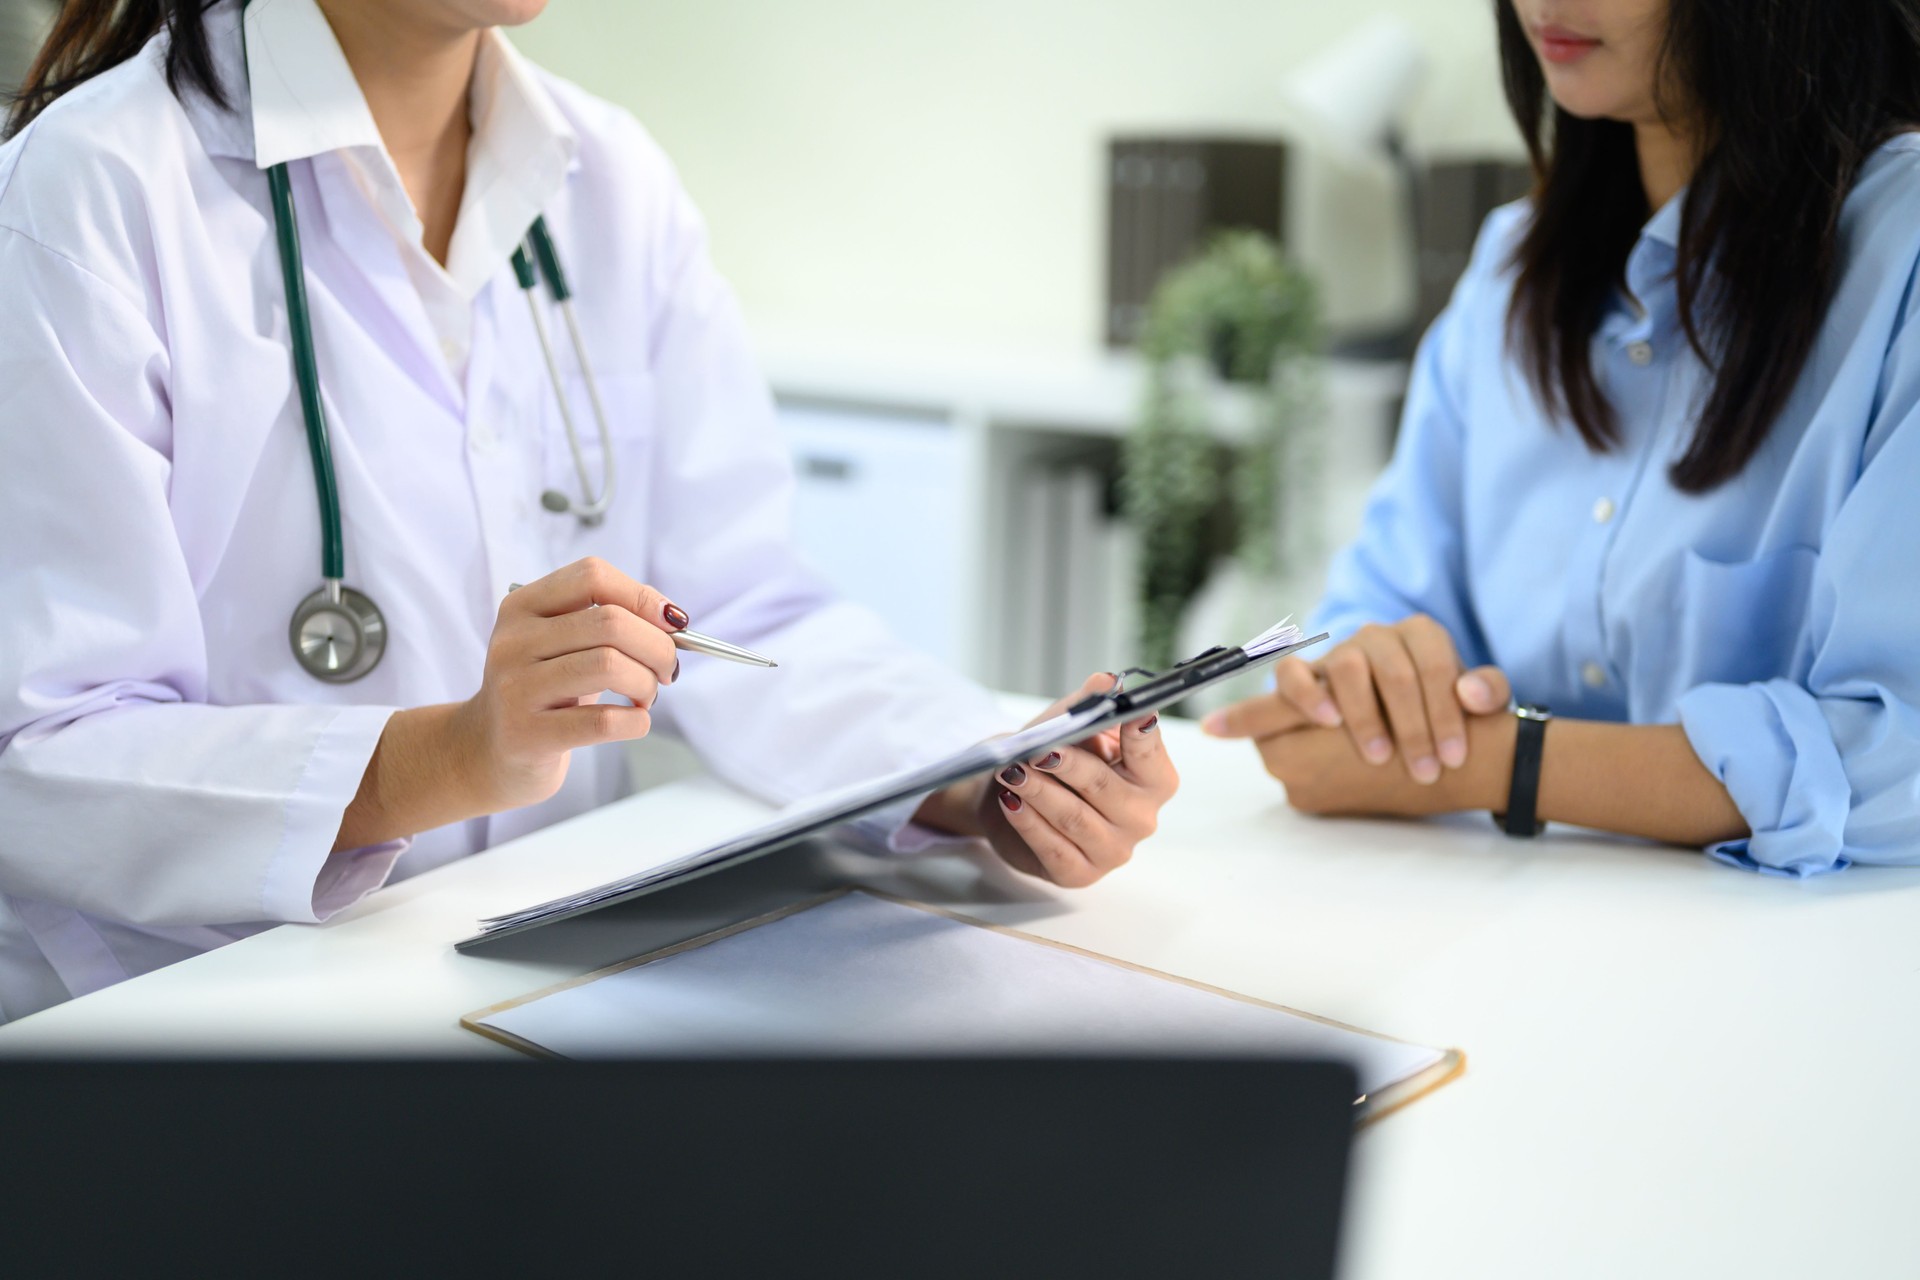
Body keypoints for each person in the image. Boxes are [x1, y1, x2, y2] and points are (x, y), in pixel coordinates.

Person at [0, 0, 1178, 1023]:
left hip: (516, 990)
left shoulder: (609, 181)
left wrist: (989, 780)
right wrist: (441, 758)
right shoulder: (89, 192)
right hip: (186, 1024)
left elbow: (743, 610)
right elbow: (42, 758)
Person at [1207, 0, 1920, 874]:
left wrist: (1498, 762)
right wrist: (1365, 684)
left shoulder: (1903, 258)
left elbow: (1898, 760)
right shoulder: (1508, 274)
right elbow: (1379, 604)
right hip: (1494, 946)